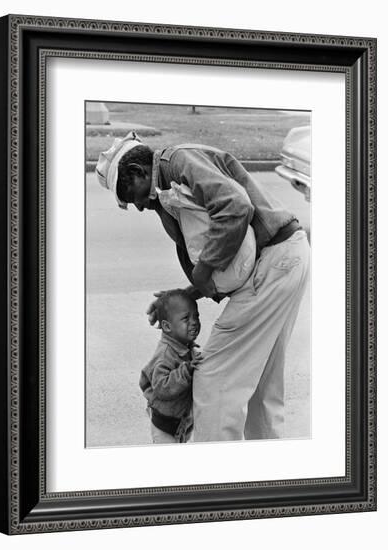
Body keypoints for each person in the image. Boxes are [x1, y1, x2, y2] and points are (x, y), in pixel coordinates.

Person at [96, 131, 310, 442]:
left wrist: (204, 270)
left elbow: (235, 207)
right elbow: (221, 262)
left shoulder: (179, 161)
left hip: (273, 265)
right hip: (285, 259)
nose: (140, 206)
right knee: (261, 386)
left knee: (214, 381)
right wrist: (186, 293)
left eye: (134, 196)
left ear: (138, 172)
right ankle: (264, 476)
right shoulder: (168, 181)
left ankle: (215, 479)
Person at [138, 289, 202, 444]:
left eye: (196, 317)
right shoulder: (165, 354)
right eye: (186, 318)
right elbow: (161, 387)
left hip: (181, 421)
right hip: (165, 426)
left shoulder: (183, 346)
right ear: (167, 327)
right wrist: (185, 371)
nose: (194, 322)